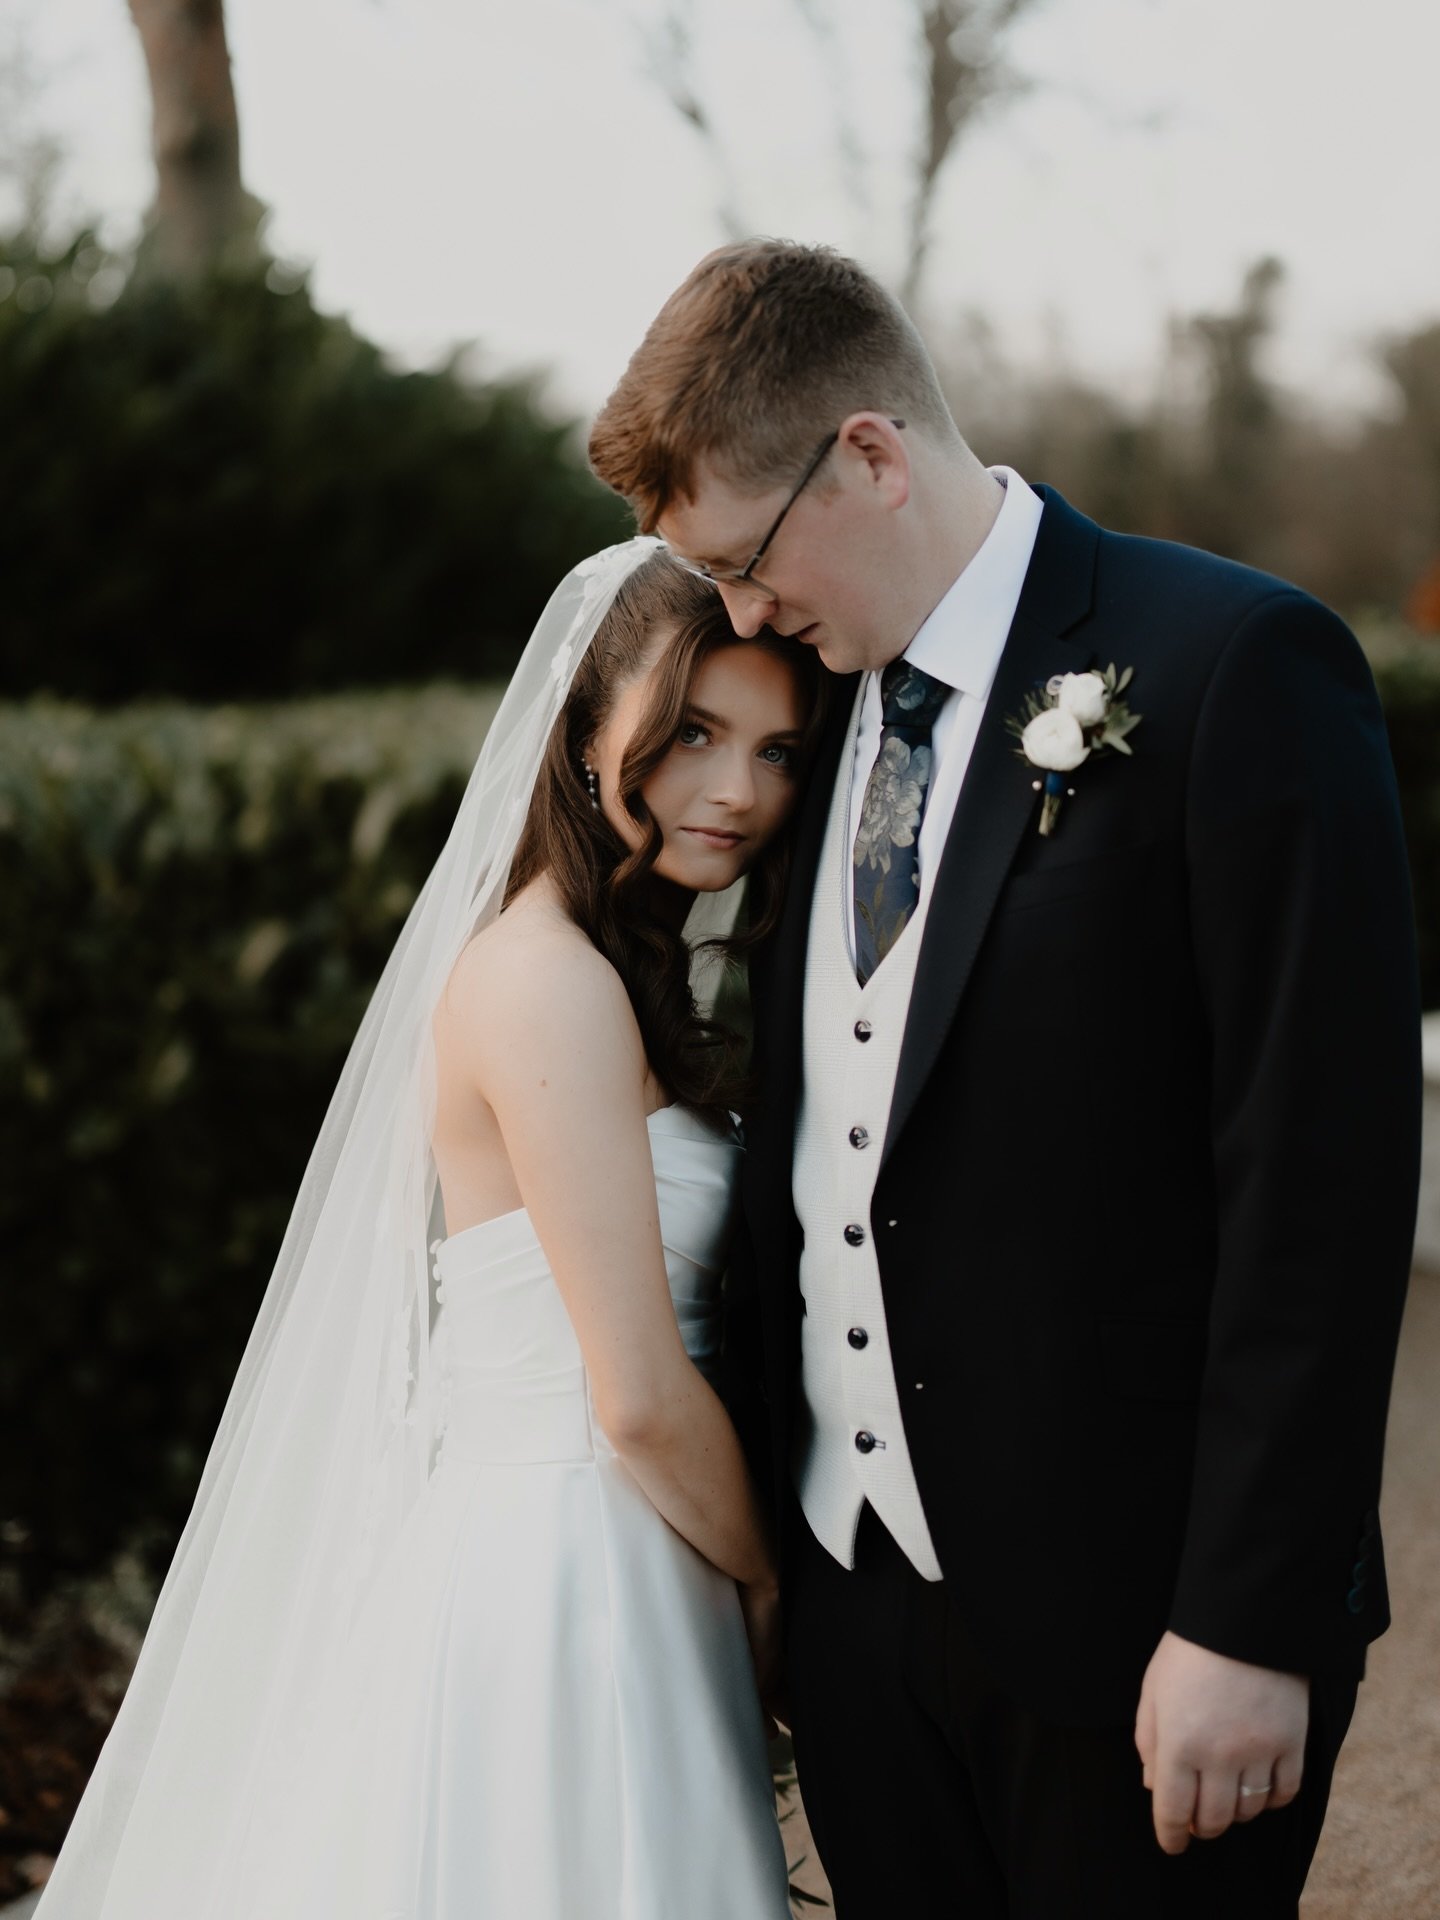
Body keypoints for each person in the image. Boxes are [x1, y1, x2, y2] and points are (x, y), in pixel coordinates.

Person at [587, 240, 1423, 1918]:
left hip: (1143, 1621)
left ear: (872, 455)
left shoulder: (1234, 665)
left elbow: (1319, 1183)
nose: (738, 618)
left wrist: (1250, 1620)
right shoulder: (808, 721)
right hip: (856, 1614)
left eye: (745, 562)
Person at [32, 542, 825, 1920]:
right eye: (694, 732)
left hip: (635, 1551)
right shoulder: (547, 985)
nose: (738, 793)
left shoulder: (615, 972)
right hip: (578, 1574)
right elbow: (636, 1398)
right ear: (587, 729)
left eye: (777, 752)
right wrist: (772, 1586)